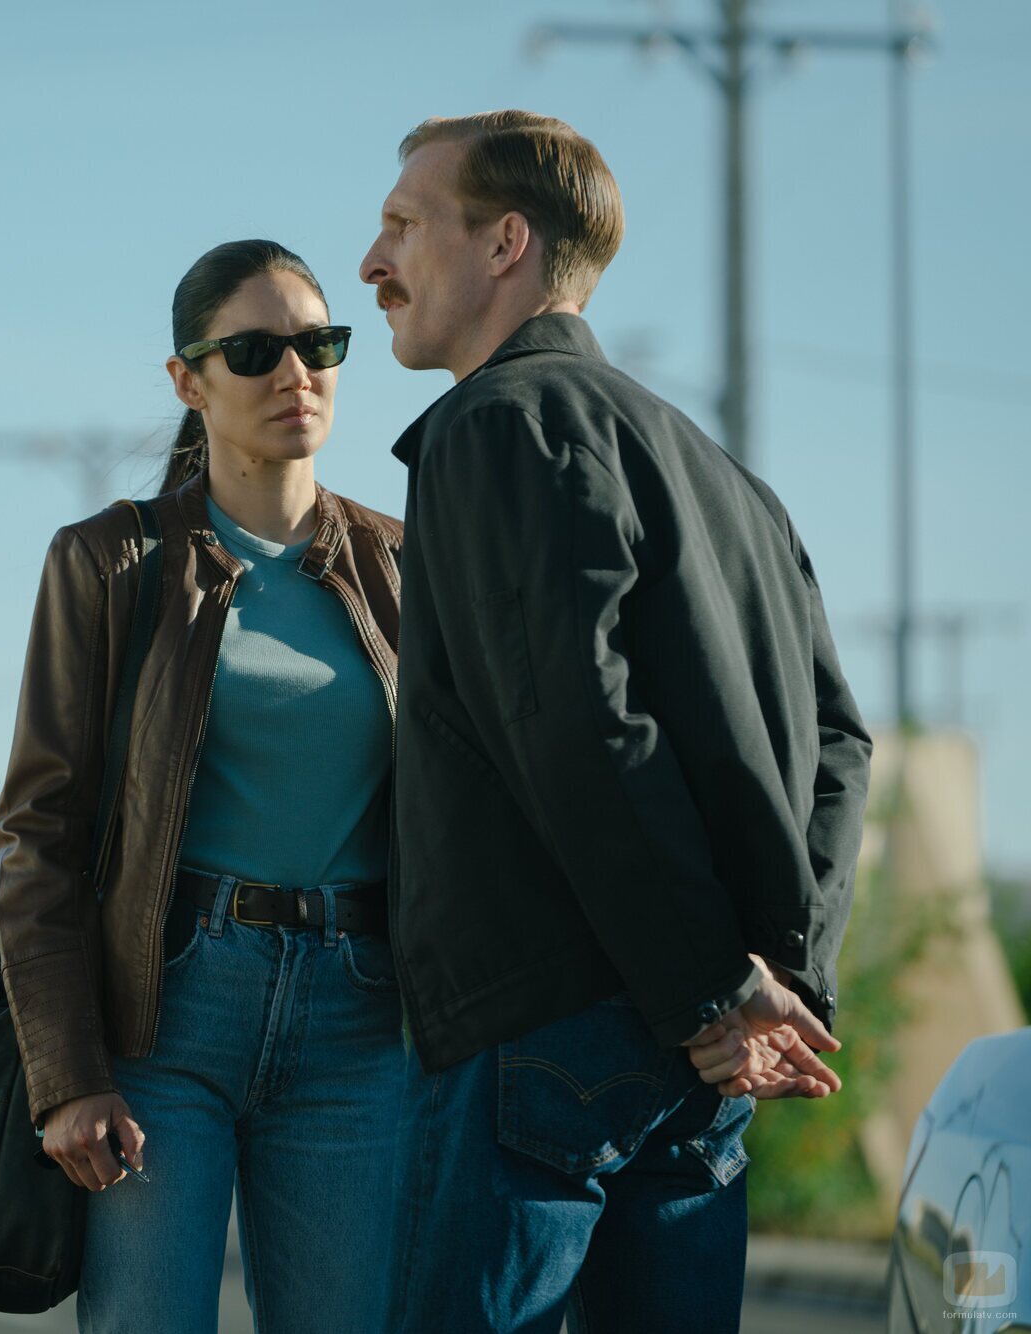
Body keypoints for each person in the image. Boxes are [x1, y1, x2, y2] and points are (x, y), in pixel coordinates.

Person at [356, 111, 874, 1332]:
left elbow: (573, 722)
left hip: (544, 1033)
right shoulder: (727, 477)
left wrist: (714, 989)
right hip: (700, 1071)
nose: (372, 263)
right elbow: (839, 747)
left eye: (400, 225)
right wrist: (773, 979)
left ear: (505, 245)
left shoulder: (495, 425)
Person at [0, 238, 406, 1333]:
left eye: (318, 343)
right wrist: (65, 1074)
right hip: (168, 1004)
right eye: (254, 350)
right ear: (187, 379)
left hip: (360, 1014)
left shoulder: (402, 562)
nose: (293, 373)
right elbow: (39, 832)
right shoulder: (109, 562)